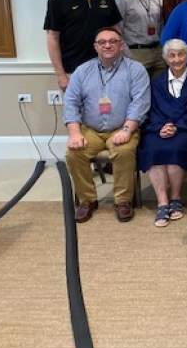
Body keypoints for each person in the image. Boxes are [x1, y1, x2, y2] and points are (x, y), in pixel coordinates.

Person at [64, 27, 150, 223]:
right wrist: (75, 133)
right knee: (73, 152)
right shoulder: (82, 71)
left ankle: (123, 201)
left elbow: (140, 103)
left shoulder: (135, 70)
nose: (108, 45)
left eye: (113, 41)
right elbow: (70, 102)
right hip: (91, 129)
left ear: (121, 45)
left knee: (123, 150)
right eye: (102, 42)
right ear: (95, 47)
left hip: (123, 127)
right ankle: (87, 200)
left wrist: (127, 130)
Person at [136, 39, 187, 227]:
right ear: (166, 58)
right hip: (158, 127)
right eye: (172, 55)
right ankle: (162, 202)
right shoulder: (156, 82)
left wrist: (177, 126)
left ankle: (175, 198)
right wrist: (161, 127)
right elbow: (151, 110)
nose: (176, 59)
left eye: (181, 54)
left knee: (175, 148)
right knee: (152, 148)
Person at [45, 0, 122, 91]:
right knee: (76, 113)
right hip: (73, 71)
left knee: (110, 111)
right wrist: (61, 75)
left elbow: (116, 30)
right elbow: (52, 38)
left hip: (107, 69)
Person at [115, 0, 164, 76]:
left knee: (160, 91)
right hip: (136, 54)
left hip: (158, 53)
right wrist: (127, 56)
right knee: (141, 93)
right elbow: (117, 30)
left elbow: (161, 25)